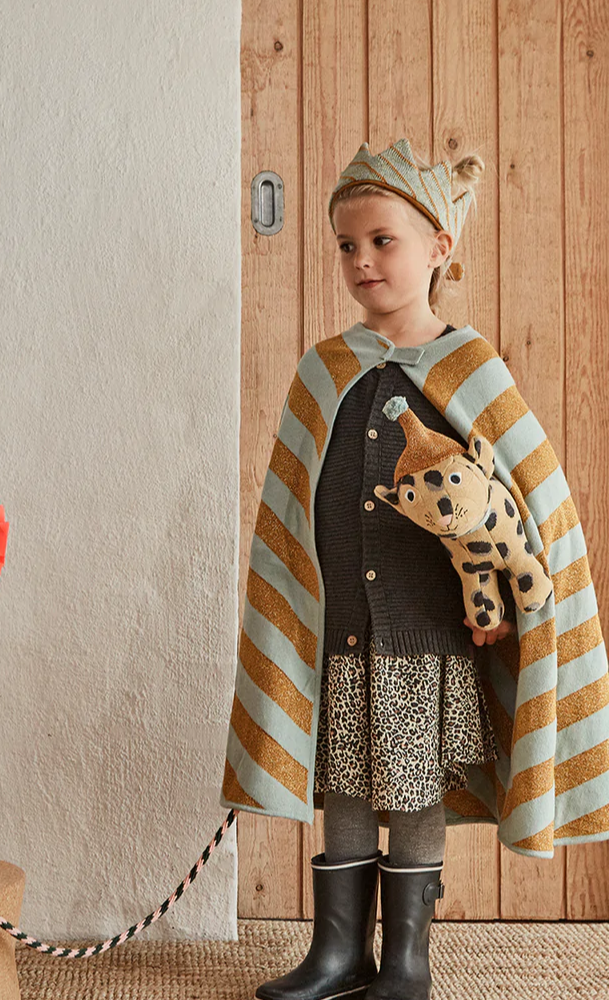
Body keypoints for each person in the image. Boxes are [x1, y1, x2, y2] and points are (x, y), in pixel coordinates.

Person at [221, 137, 609, 1000]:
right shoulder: (323, 370)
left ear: (438, 247)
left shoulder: (472, 370)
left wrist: (505, 603)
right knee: (348, 786)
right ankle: (337, 956)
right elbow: (290, 513)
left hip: (430, 635)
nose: (362, 262)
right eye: (347, 246)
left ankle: (405, 962)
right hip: (344, 635)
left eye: (382, 241)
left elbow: (530, 512)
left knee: (413, 792)